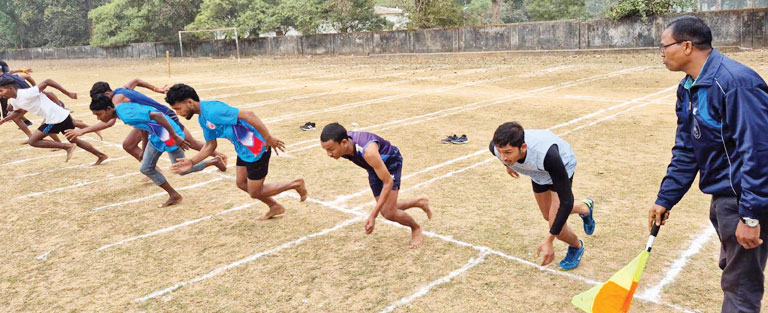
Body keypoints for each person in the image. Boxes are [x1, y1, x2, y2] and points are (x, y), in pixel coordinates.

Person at [649, 16, 768, 312]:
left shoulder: (736, 83)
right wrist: (666, 198)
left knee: (740, 289)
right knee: (732, 268)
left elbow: (758, 151)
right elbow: (687, 150)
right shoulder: (688, 87)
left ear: (687, 46)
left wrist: (751, 216)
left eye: (664, 47)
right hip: (723, 199)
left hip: (744, 199)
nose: (661, 54)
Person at [164, 84, 307, 220]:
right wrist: (192, 161)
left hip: (257, 149)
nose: (178, 113)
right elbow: (210, 145)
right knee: (241, 183)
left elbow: (249, 115)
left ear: (189, 102)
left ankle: (296, 184)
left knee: (255, 192)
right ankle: (274, 206)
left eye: (178, 108)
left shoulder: (213, 110)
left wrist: (268, 137)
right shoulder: (203, 119)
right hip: (243, 150)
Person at [490, 122, 595, 270]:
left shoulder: (549, 156)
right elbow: (498, 152)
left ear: (523, 147)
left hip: (560, 166)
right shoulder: (495, 148)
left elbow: (566, 201)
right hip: (537, 172)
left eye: (507, 152)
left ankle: (576, 246)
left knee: (555, 226)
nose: (503, 156)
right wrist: (507, 165)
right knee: (548, 215)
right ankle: (585, 208)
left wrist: (549, 239)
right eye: (500, 152)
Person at [90, 94, 225, 207]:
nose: (99, 118)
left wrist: (175, 136)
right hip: (156, 135)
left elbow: (158, 116)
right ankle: (174, 195)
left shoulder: (125, 114)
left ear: (108, 109)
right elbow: (144, 125)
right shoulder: (121, 111)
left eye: (99, 114)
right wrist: (144, 148)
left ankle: (214, 161)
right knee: (146, 168)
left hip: (169, 135)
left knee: (183, 170)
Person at [320, 123, 431, 249]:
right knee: (386, 207)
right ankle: (420, 202)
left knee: (388, 212)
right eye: (326, 150)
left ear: (344, 142)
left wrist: (373, 215)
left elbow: (388, 182)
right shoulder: (342, 141)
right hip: (372, 167)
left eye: (330, 149)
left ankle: (416, 228)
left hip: (390, 162)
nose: (328, 154)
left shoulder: (368, 152)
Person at [66, 80, 222, 164]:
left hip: (162, 116)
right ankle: (150, 168)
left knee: (189, 142)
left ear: (107, 94)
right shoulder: (122, 88)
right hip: (147, 120)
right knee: (128, 144)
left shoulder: (116, 100)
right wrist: (156, 89)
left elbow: (109, 122)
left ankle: (218, 156)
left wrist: (82, 130)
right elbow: (136, 81)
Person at [0, 77, 107, 164]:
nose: (0, 93)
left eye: (1, 90)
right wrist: (4, 120)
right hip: (59, 116)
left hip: (55, 119)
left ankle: (67, 147)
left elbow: (48, 82)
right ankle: (101, 156)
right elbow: (17, 112)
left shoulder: (26, 93)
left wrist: (67, 93)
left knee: (33, 141)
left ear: (10, 88)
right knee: (74, 139)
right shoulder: (14, 101)